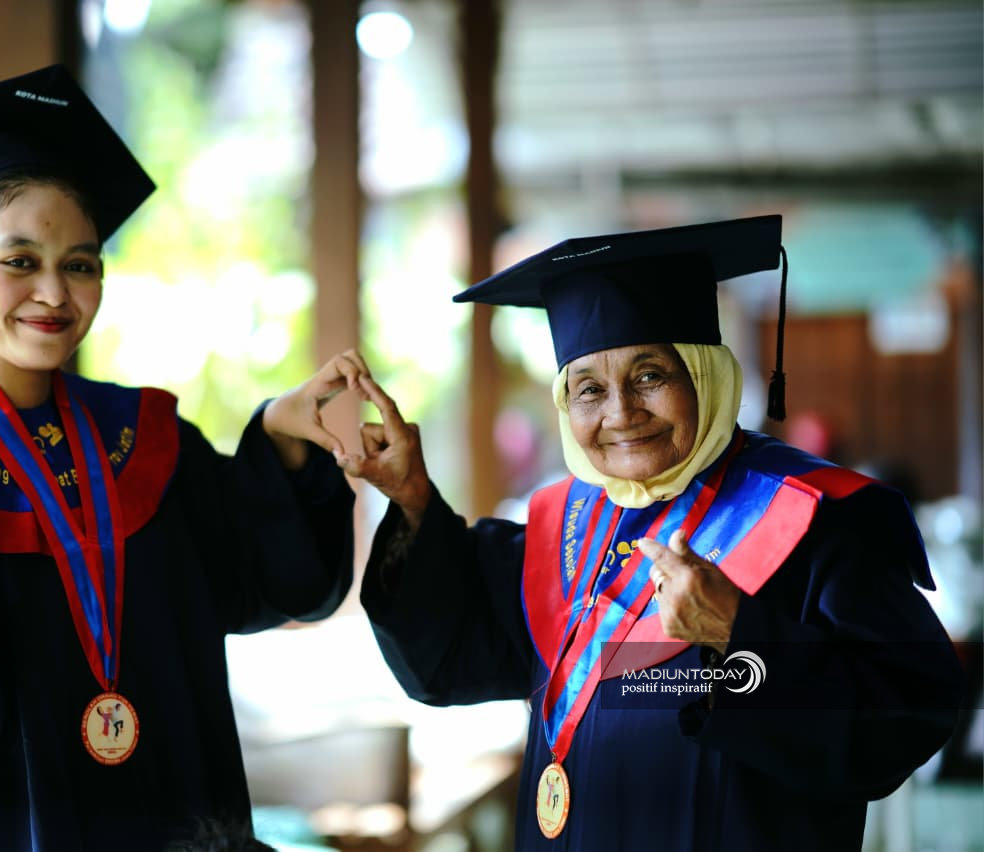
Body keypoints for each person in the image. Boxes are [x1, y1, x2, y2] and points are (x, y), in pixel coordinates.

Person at [0, 65, 363, 849]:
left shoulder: (148, 439)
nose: (55, 293)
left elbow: (260, 586)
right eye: (19, 261)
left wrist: (279, 441)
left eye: (80, 263)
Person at [340, 216, 964, 850]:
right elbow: (446, 660)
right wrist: (412, 502)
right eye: (589, 389)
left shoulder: (810, 520)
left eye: (650, 376)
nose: (621, 413)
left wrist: (740, 634)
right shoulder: (561, 530)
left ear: (704, 374)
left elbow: (909, 715)